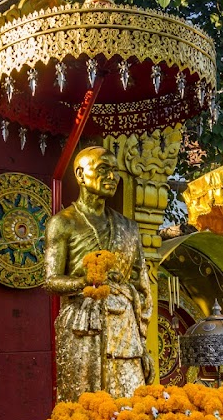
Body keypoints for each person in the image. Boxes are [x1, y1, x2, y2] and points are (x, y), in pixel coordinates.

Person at [44, 146, 152, 401]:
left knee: (129, 397)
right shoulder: (63, 222)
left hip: (124, 322)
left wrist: (141, 334)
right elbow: (50, 281)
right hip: (84, 322)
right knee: (85, 400)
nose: (112, 177)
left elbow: (140, 283)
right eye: (103, 169)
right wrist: (85, 282)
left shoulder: (128, 227)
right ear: (81, 175)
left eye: (114, 171)